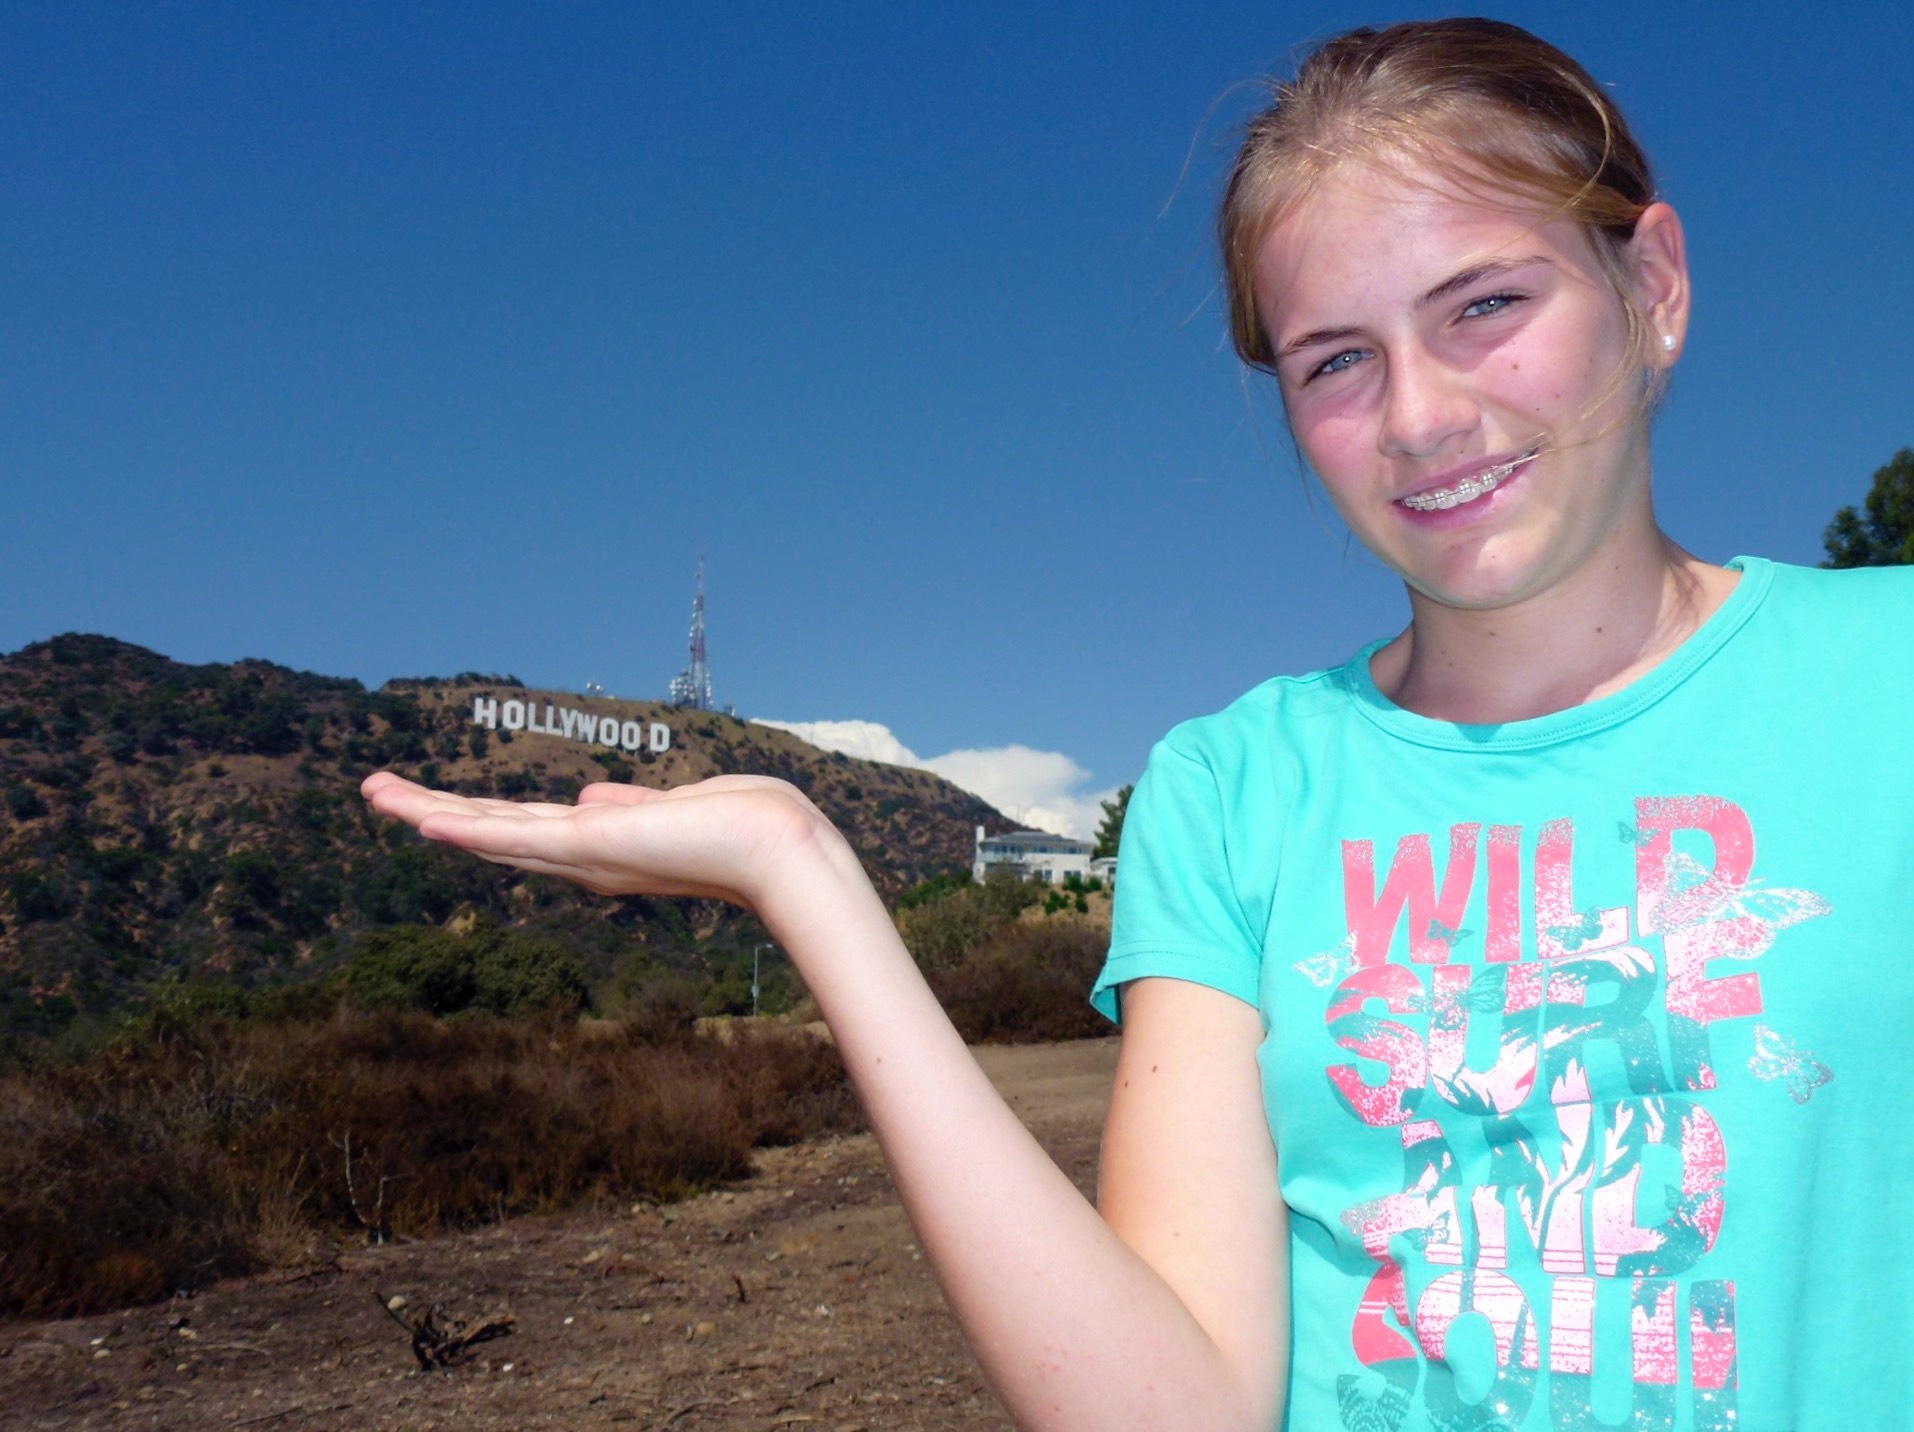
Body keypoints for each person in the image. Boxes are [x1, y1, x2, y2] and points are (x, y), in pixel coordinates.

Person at [364, 18, 1912, 1430]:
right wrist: (805, 876)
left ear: (1651, 288)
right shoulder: (1233, 789)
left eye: (1485, 303)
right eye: (1335, 360)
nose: (1419, 415)